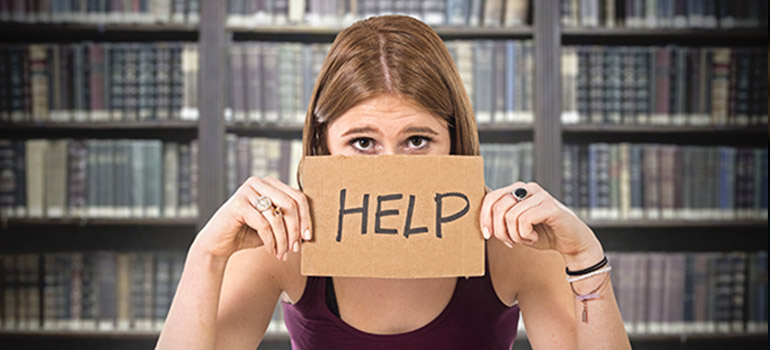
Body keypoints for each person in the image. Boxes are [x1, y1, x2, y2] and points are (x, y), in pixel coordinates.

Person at [156, 15, 631, 350]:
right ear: (322, 146)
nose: (392, 167)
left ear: (454, 140)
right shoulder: (288, 241)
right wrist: (207, 254)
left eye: (417, 140)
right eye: (362, 142)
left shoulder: (510, 241)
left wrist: (585, 258)